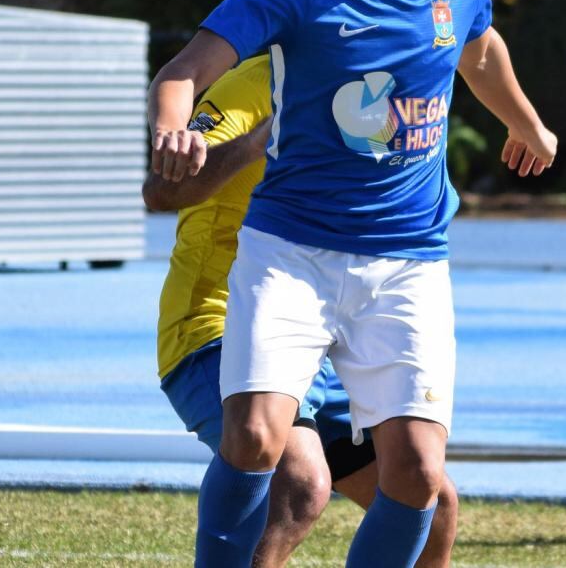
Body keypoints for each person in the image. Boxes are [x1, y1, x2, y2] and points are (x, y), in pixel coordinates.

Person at [149, 0, 557, 568]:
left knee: (421, 476)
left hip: (407, 260)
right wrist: (175, 127)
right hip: (292, 251)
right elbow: (183, 72)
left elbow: (478, 48)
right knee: (259, 437)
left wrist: (527, 123)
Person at [146, 53, 459, 567]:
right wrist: (261, 139)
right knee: (300, 483)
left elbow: (481, 47)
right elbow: (163, 190)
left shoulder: (376, 91)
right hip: (218, 326)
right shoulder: (246, 89)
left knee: (431, 500)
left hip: (322, 336)